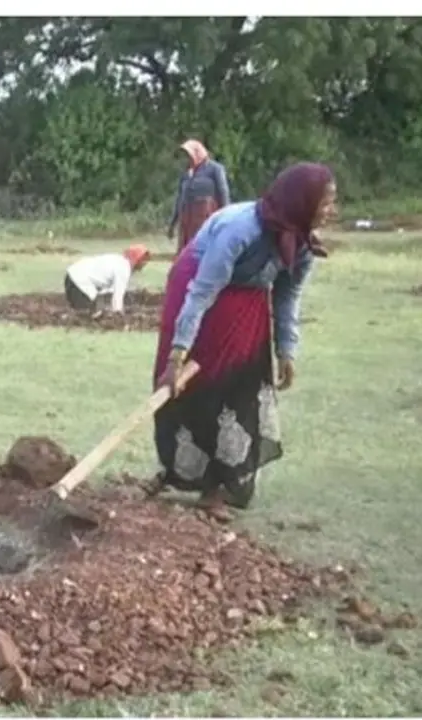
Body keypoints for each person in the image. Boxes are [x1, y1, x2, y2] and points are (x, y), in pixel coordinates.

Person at [151, 162, 337, 521]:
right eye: (326, 203)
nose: (331, 212)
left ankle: (220, 481)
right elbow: (202, 291)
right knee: (195, 383)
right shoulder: (240, 229)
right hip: (198, 281)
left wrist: (286, 350)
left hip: (249, 296)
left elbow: (287, 296)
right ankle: (190, 477)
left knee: (240, 380)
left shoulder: (300, 245)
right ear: (302, 200)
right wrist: (177, 356)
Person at [167, 139, 231, 254]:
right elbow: (180, 199)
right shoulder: (187, 173)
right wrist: (173, 224)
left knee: (203, 249)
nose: (187, 158)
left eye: (189, 154)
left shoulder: (215, 169)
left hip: (205, 217)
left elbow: (223, 193)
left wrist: (225, 218)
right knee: (186, 252)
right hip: (187, 218)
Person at [63, 244, 151, 315]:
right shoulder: (124, 268)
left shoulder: (119, 261)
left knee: (90, 310)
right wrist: (118, 315)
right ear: (136, 259)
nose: (144, 264)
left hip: (72, 276)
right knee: (88, 314)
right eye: (142, 260)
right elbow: (118, 296)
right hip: (78, 281)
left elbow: (105, 291)